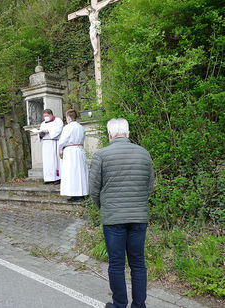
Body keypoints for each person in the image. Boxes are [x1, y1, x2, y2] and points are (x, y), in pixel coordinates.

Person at [89, 118, 154, 308]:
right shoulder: (144, 154)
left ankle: (119, 305)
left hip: (113, 218)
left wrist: (105, 207)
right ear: (127, 133)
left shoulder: (101, 155)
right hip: (139, 217)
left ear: (110, 135)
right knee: (138, 263)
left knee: (116, 264)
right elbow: (149, 187)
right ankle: (139, 305)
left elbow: (94, 190)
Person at [58, 109, 89, 202]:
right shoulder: (81, 127)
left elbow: (62, 141)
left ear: (68, 117)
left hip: (70, 151)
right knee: (80, 172)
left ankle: (75, 194)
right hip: (79, 149)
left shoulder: (68, 127)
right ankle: (82, 192)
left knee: (72, 172)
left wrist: (60, 149)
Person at [39, 109, 63, 185]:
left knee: (55, 161)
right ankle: (48, 178)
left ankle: (57, 178)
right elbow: (40, 133)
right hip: (46, 144)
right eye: (44, 116)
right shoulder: (43, 123)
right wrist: (40, 135)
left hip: (54, 142)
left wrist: (49, 131)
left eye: (46, 116)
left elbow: (58, 130)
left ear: (51, 115)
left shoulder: (58, 120)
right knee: (47, 161)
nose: (45, 117)